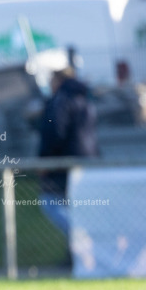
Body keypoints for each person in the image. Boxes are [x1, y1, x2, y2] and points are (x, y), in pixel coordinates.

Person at [37, 65, 99, 237]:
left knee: (50, 201)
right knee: (78, 208)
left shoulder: (60, 100)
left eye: (51, 80)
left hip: (64, 164)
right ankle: (77, 254)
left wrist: (44, 160)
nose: (50, 84)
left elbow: (54, 131)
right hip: (88, 161)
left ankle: (80, 239)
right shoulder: (85, 98)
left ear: (58, 80)